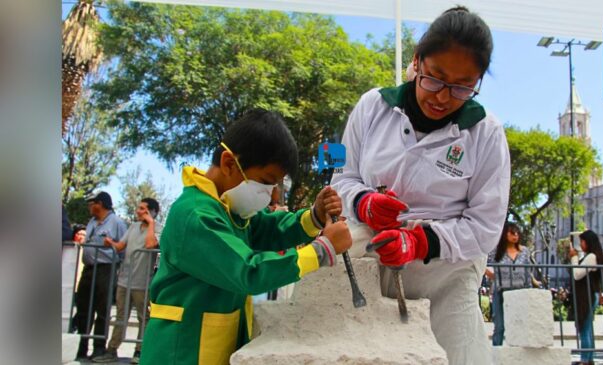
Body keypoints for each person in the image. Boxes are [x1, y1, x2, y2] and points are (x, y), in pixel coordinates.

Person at [331, 6, 510, 364]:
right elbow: (342, 178)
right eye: (435, 78)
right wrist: (364, 202)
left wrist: (420, 240)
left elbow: (486, 227)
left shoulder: (486, 132)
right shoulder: (372, 106)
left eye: (462, 87)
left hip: (448, 269)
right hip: (373, 251)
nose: (443, 97)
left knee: (458, 356)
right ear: (417, 62)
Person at [139, 109, 352, 365]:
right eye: (265, 182)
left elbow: (268, 229)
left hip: (213, 346)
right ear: (230, 163)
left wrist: (314, 216)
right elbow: (248, 271)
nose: (270, 195)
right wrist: (322, 250)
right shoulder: (195, 215)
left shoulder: (229, 210)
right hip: (181, 351)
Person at [92, 198, 163, 364]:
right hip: (124, 280)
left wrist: (151, 223)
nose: (138, 211)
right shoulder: (132, 227)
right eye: (138, 208)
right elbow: (120, 246)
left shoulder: (158, 228)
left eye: (142, 209)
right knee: (120, 317)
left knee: (143, 318)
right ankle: (112, 350)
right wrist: (110, 243)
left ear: (151, 211)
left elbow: (150, 244)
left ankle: (139, 351)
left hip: (142, 282)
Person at [74, 191, 128, 361]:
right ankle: (80, 346)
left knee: (102, 309)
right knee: (83, 309)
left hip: (106, 269)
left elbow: (123, 247)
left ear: (102, 204)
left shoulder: (117, 222)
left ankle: (99, 347)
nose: (90, 207)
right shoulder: (91, 222)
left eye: (93, 203)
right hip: (89, 269)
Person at [485, 222, 534, 346]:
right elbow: (482, 263)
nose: (515, 236)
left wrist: (529, 289)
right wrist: (493, 276)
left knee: (519, 325)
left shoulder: (524, 251)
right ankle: (496, 355)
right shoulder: (496, 251)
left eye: (517, 233)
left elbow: (528, 271)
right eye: (512, 233)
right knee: (500, 326)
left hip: (519, 291)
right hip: (501, 291)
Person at [569, 230, 603, 365]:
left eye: (582, 242)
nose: (581, 245)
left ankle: (585, 359)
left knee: (584, 328)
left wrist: (573, 258)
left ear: (588, 242)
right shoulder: (593, 256)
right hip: (591, 293)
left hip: (588, 295)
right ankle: (589, 358)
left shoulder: (591, 257)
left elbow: (577, 274)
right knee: (588, 327)